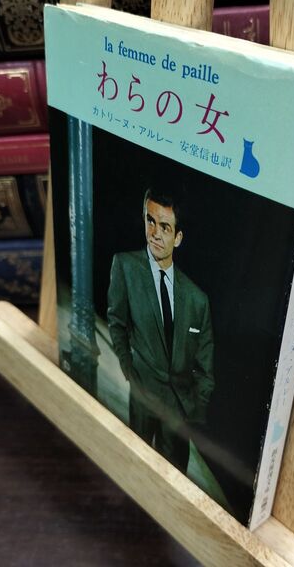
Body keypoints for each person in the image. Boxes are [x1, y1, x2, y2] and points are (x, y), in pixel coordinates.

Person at [107, 187, 214, 473]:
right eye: (150, 221)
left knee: (174, 478)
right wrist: (129, 371)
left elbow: (205, 366)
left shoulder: (197, 299)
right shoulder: (125, 266)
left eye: (165, 227)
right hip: (143, 395)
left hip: (179, 413)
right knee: (134, 470)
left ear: (178, 238)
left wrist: (193, 409)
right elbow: (116, 322)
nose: (154, 233)